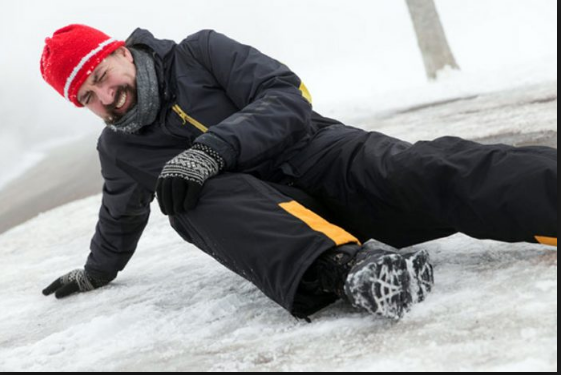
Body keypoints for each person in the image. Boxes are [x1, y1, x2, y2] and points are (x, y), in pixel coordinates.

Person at [40, 24, 557, 321]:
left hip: (325, 157)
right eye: (88, 97)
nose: (107, 98)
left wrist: (214, 147)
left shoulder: (199, 52)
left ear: (119, 52)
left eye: (103, 77)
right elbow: (119, 215)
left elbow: (287, 97)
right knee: (185, 197)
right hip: (277, 230)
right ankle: (351, 274)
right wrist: (96, 272)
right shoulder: (119, 151)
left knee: (435, 168)